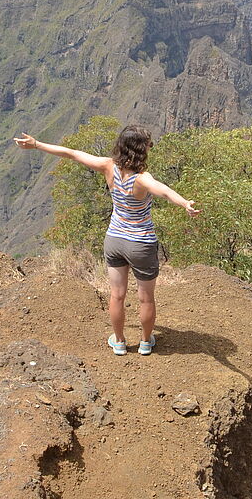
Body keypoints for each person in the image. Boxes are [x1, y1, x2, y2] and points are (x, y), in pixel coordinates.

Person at [14, 125, 200, 356]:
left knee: (117, 295)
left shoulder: (107, 167)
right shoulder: (142, 179)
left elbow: (72, 153)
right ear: (142, 151)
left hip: (114, 240)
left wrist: (36, 144)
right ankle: (144, 342)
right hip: (140, 243)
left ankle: (120, 342)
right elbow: (162, 190)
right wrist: (184, 203)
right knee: (145, 298)